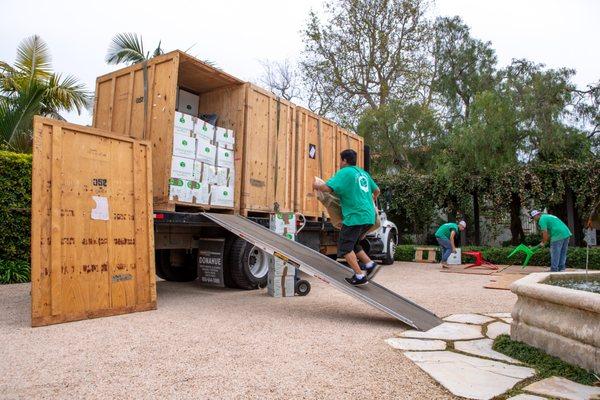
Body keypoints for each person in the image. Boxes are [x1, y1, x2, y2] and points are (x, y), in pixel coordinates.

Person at [313, 149, 380, 286]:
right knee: (353, 243)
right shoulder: (363, 173)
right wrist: (372, 198)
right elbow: (377, 190)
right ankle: (369, 264)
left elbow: (327, 188)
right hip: (369, 216)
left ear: (344, 160)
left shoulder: (345, 172)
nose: (340, 163)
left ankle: (360, 276)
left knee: (344, 247)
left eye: (340, 160)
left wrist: (316, 185)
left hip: (355, 216)